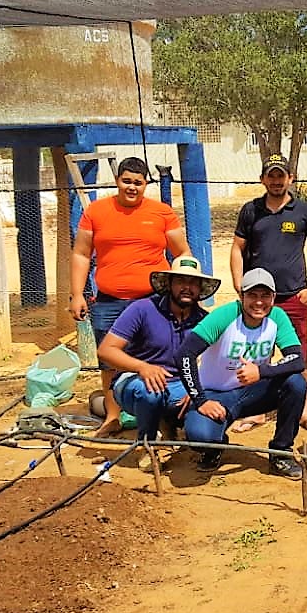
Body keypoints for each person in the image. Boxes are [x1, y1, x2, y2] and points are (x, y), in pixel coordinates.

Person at [70, 156, 192, 438]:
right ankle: (113, 416)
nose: (132, 187)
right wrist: (77, 294)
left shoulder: (161, 213)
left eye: (138, 182)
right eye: (127, 181)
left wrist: (182, 288)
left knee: (159, 354)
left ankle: (162, 416)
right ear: (117, 181)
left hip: (153, 300)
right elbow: (80, 254)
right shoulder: (96, 212)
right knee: (110, 360)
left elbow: (182, 252)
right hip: (109, 301)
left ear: (145, 184)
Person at [176, 268, 307, 479]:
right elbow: (184, 354)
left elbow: (297, 359)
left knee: (296, 383)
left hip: (255, 393)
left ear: (273, 297)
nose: (259, 302)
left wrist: (261, 371)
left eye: (265, 296)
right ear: (241, 296)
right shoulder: (225, 315)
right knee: (200, 437)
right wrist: (199, 399)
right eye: (252, 295)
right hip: (216, 395)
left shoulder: (277, 316)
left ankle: (281, 451)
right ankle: (214, 446)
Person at [230, 154, 307, 433]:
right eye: (270, 176)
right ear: (263, 179)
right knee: (257, 354)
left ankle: (304, 410)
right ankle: (257, 411)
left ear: (290, 178)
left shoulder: (304, 211)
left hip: (294, 296)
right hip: (258, 299)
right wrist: (239, 284)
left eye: (280, 175)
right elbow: (237, 247)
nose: (276, 181)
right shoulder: (251, 210)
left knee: (299, 355)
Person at [97, 256, 218, 450]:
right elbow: (106, 350)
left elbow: (217, 360)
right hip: (134, 380)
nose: (187, 287)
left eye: (193, 282)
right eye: (180, 281)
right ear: (169, 283)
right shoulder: (142, 309)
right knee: (151, 391)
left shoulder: (205, 319)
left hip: (180, 383)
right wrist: (142, 367)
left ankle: (171, 425)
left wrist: (198, 386)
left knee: (213, 397)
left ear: (201, 288)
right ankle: (148, 444)